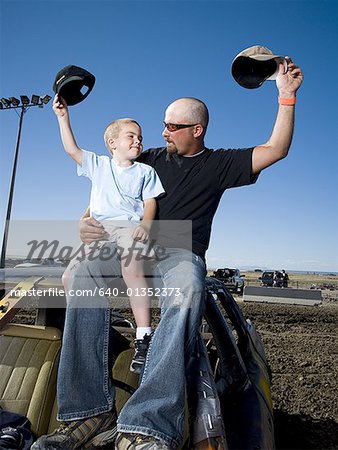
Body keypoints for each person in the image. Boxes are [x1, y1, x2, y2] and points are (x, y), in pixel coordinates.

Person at [33, 56, 303, 450]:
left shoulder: (221, 164)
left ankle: (147, 423)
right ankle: (88, 413)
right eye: (163, 124)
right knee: (84, 273)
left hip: (181, 254)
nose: (163, 132)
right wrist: (83, 220)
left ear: (197, 130)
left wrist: (286, 97)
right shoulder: (150, 159)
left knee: (188, 286)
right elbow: (109, 186)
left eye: (172, 127)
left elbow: (276, 148)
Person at [52, 95, 165, 374]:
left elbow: (151, 202)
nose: (138, 140)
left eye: (140, 137)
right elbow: (70, 148)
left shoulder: (145, 171)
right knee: (68, 277)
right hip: (99, 232)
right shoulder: (98, 165)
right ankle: (90, 325)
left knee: (132, 269)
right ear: (112, 143)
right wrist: (62, 117)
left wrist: (146, 226)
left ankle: (143, 335)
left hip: (128, 228)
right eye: (131, 136)